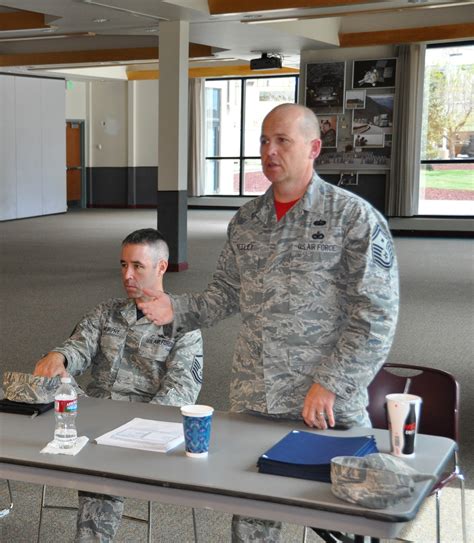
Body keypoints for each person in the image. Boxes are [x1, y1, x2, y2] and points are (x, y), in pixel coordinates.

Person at [139, 103, 399, 542]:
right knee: (253, 520)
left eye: (283, 140)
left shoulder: (352, 217)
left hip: (325, 403)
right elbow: (224, 294)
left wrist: (331, 381)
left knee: (352, 520)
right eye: (263, 140)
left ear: (314, 148)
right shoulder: (247, 221)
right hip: (255, 396)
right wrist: (174, 311)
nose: (269, 150)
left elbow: (377, 313)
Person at [33, 228, 203, 542]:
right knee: (30, 406)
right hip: (91, 414)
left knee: (101, 476)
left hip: (140, 426)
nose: (127, 274)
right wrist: (60, 356)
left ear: (161, 267)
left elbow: (180, 392)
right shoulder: (106, 312)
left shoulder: (183, 325)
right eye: (123, 265)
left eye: (137, 266)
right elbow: (79, 346)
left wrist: (132, 430)